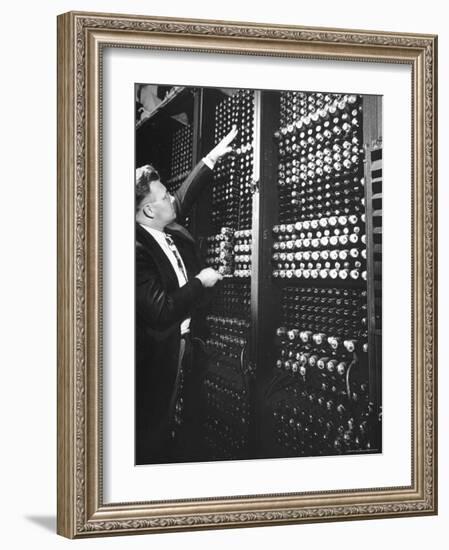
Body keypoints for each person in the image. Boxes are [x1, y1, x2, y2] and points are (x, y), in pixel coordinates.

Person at [135, 125, 238, 464]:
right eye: (162, 197)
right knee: (155, 428)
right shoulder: (135, 249)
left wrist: (210, 159)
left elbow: (181, 199)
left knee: (184, 421)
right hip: (162, 354)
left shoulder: (162, 224)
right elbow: (162, 311)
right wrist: (201, 281)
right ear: (149, 211)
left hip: (191, 342)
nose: (170, 200)